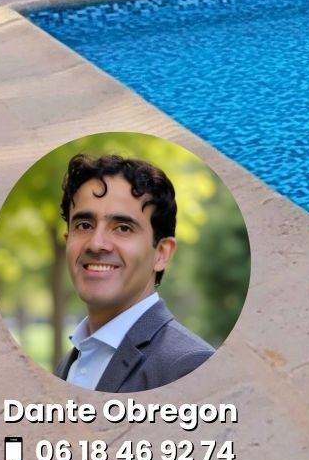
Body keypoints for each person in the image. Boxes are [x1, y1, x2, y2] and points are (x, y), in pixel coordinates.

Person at [54, 153, 214, 391]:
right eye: (84, 225)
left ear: (161, 253)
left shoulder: (189, 366)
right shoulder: (69, 363)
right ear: (68, 242)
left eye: (123, 228)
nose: (96, 244)